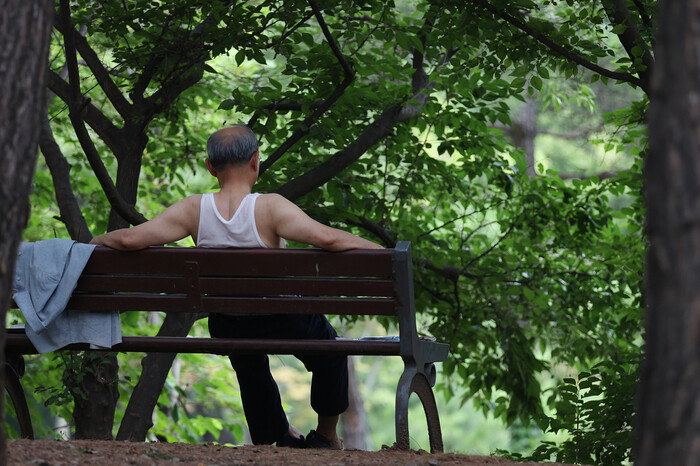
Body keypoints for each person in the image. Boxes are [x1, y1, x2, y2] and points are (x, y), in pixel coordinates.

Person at [90, 124, 383, 449]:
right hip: (285, 320)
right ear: (256, 161)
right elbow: (328, 238)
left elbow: (130, 239)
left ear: (210, 167)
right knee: (330, 351)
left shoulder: (192, 209)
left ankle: (274, 436)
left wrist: (92, 243)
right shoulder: (271, 207)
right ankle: (326, 436)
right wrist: (384, 255)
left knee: (246, 355)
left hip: (228, 324)